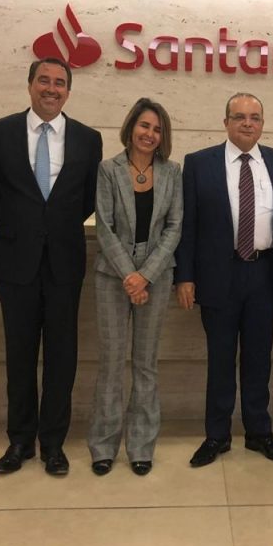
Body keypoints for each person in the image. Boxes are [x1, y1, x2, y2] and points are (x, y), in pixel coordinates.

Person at [0, 57, 102, 477]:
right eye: (43, 80)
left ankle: (53, 443)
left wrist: (52, 227)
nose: (51, 89)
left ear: (68, 91)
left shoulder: (88, 138)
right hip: (14, 262)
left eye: (59, 83)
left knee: (61, 357)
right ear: (30, 85)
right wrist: (24, 227)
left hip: (64, 263)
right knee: (18, 355)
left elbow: (87, 198)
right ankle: (19, 441)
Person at [175, 92, 273, 467]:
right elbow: (188, 224)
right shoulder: (199, 163)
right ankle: (217, 435)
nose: (248, 123)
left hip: (264, 273)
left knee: (259, 358)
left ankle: (260, 432)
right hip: (218, 274)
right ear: (225, 122)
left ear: (262, 123)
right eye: (240, 117)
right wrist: (185, 276)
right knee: (220, 358)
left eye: (255, 117)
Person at [87, 98, 182, 477]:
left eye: (157, 129)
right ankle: (103, 446)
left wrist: (145, 276)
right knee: (111, 363)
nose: (150, 134)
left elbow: (174, 227)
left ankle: (141, 446)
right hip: (113, 277)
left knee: (145, 364)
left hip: (155, 278)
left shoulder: (172, 172)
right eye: (144, 126)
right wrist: (130, 275)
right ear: (131, 128)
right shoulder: (108, 169)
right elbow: (104, 227)